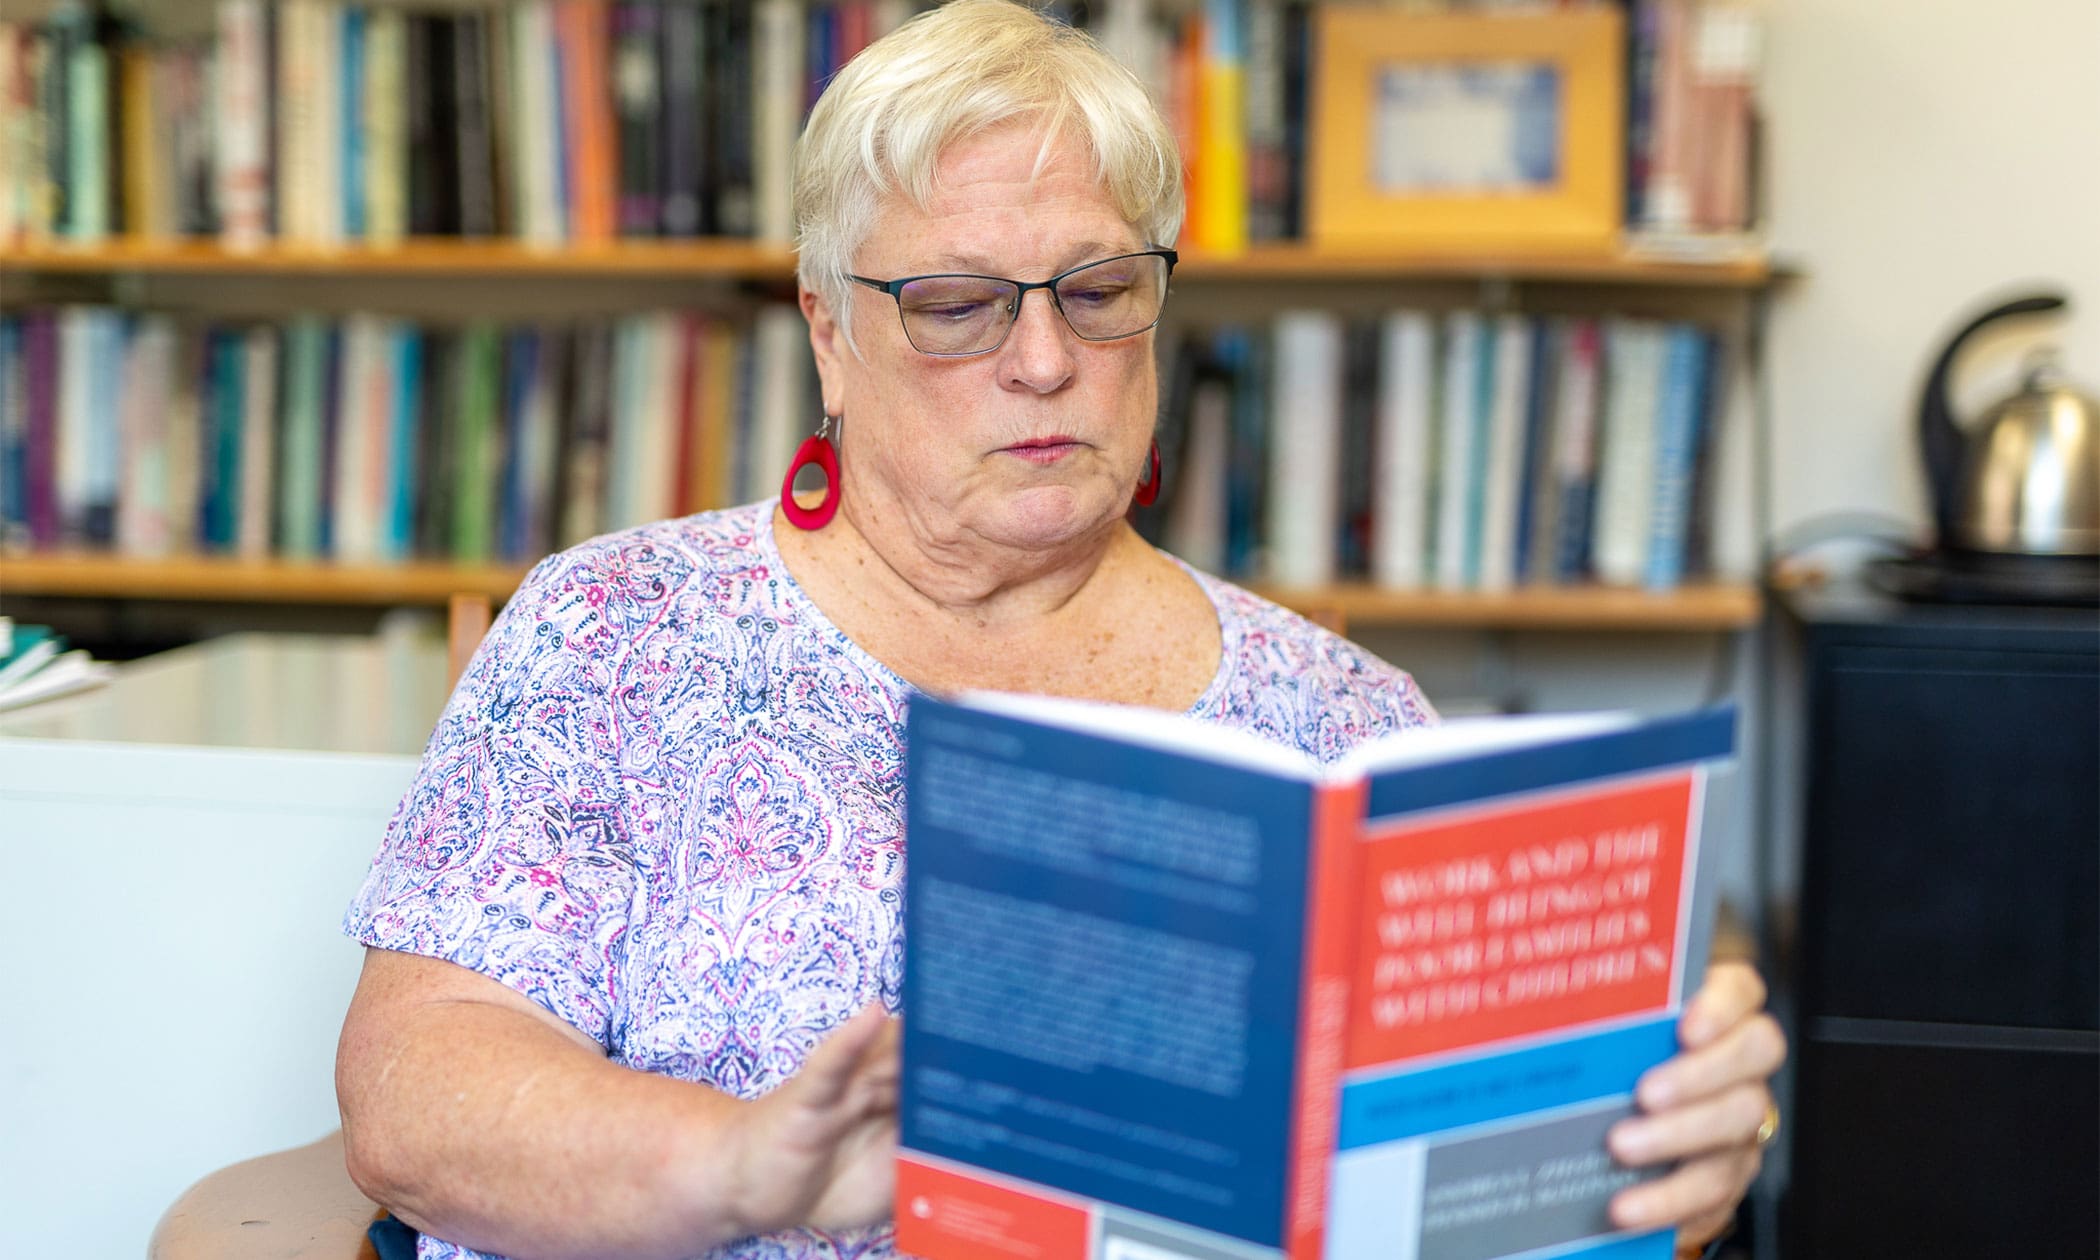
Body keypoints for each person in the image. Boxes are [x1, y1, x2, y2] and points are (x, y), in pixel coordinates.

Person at [334, 4, 1786, 1258]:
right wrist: (738, 1165)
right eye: (959, 307)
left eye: (1098, 293)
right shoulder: (620, 627)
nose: (1044, 361)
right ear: (829, 330)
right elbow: (416, 1090)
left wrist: (1660, 1174)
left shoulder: (1346, 718)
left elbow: (1456, 1196)